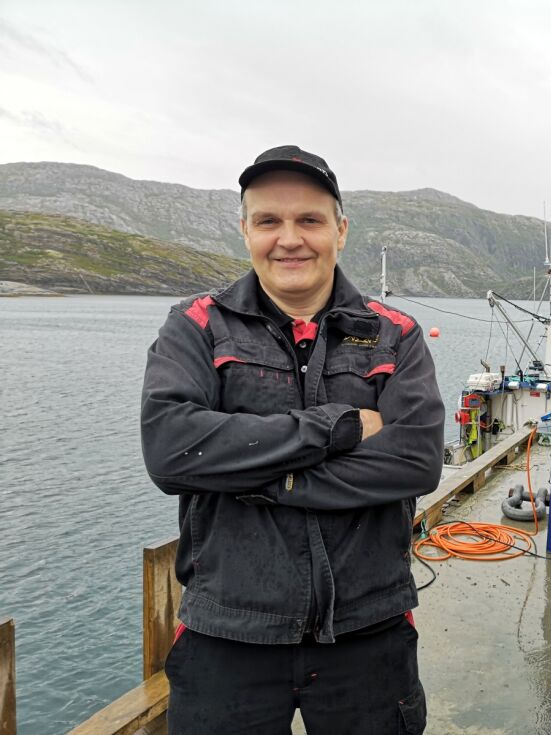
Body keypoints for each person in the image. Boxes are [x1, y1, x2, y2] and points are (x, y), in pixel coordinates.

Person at [141, 145, 444, 734]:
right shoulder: (196, 326)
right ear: (245, 231)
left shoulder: (396, 335)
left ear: (340, 229)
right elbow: (173, 450)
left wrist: (259, 476)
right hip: (227, 632)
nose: (289, 239)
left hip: (368, 629)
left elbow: (414, 462)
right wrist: (340, 426)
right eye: (268, 221)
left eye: (309, 220)